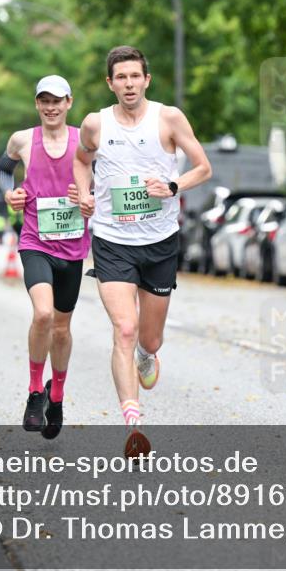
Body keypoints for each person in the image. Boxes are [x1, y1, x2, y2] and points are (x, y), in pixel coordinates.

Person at [69, 46, 211, 450]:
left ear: (146, 80)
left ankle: (148, 356)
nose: (129, 84)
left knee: (149, 339)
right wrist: (85, 193)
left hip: (160, 241)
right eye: (121, 77)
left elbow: (203, 167)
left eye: (135, 76)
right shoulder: (95, 124)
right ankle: (132, 423)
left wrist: (172, 186)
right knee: (124, 328)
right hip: (112, 240)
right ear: (110, 83)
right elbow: (81, 162)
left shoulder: (168, 118)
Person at [0, 74, 90, 440]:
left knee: (62, 329)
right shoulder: (22, 140)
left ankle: (57, 395)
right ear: (37, 104)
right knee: (43, 314)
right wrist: (10, 193)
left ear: (69, 103)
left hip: (73, 246)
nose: (51, 107)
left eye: (58, 101)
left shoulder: (85, 140)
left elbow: (102, 180)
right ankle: (36, 390)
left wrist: (87, 194)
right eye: (45, 101)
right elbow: (4, 170)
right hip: (36, 241)